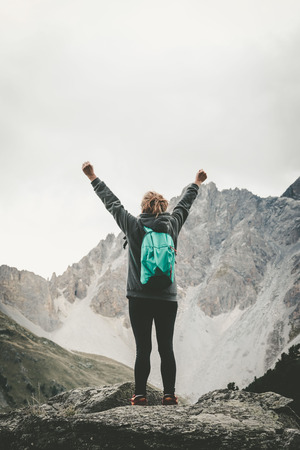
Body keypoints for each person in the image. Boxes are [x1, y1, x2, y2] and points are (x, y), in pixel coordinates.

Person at [82, 161, 207, 405]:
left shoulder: (134, 226)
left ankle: (140, 396)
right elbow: (185, 204)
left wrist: (92, 177)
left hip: (139, 298)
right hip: (167, 299)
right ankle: (169, 395)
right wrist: (197, 182)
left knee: (143, 349)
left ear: (144, 207)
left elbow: (113, 204)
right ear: (163, 207)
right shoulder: (172, 226)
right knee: (166, 348)